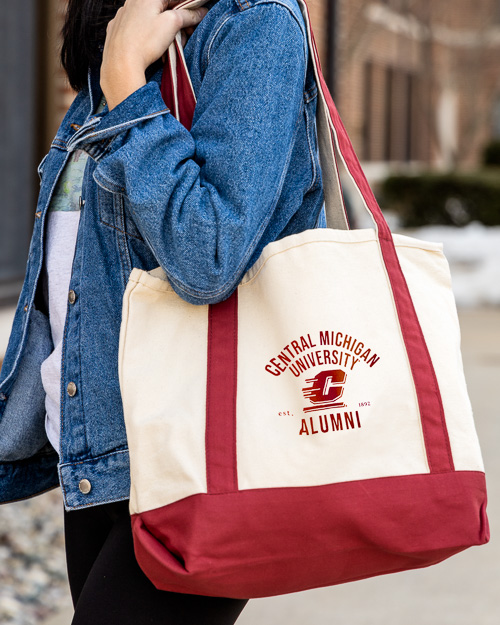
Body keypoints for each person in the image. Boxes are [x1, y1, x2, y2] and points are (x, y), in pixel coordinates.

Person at [0, 0, 325, 622]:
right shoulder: (128, 28)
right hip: (101, 452)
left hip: (203, 458)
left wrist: (125, 79)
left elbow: (209, 255)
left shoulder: (254, 25)